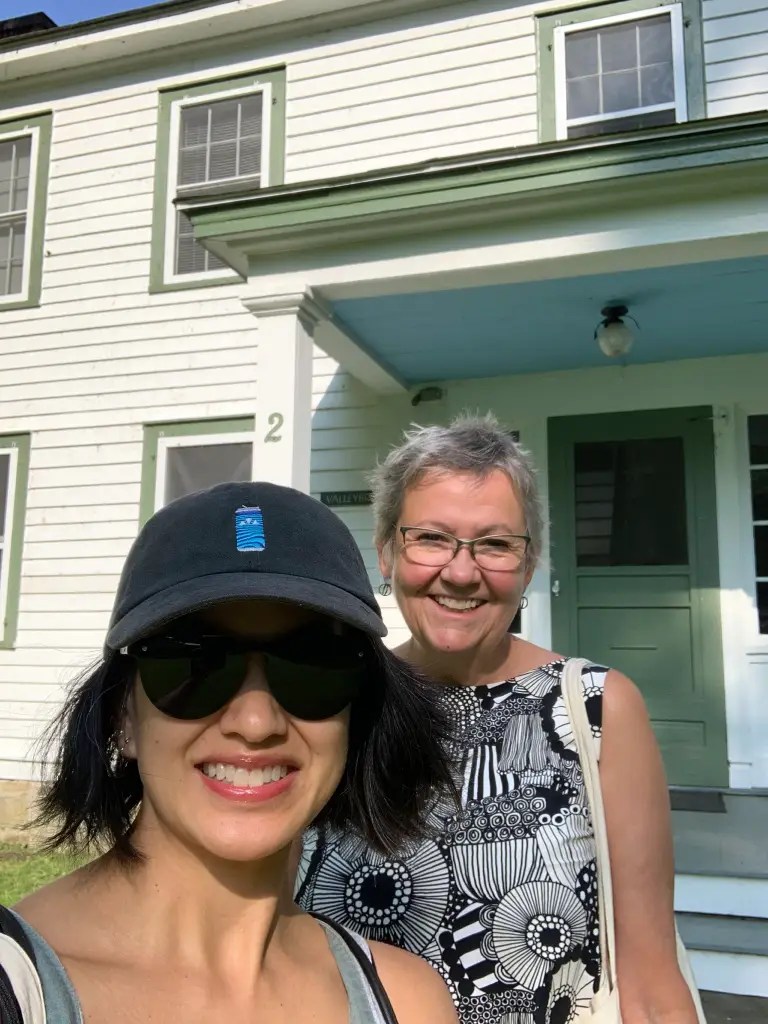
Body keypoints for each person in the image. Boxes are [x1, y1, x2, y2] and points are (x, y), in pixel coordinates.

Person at [4, 481, 459, 1024]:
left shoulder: (410, 1004)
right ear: (122, 716)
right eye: (194, 665)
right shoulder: (16, 987)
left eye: (313, 665)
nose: (255, 722)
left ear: (355, 716)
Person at [297, 414, 700, 1024]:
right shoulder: (334, 700)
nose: (461, 572)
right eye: (430, 538)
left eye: (494, 544)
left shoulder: (595, 709)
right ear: (385, 552)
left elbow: (650, 982)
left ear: (529, 565)